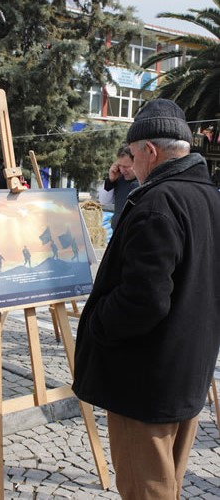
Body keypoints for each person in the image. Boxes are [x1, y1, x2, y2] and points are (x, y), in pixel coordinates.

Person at [72, 98, 220, 499]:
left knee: (146, 491)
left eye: (133, 157)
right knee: (164, 486)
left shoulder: (159, 202)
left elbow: (145, 300)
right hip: (186, 372)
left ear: (150, 152)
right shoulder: (209, 196)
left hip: (146, 383)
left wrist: (98, 320)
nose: (130, 168)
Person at [102, 144, 139, 230]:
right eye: (120, 166)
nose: (122, 170)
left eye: (126, 167)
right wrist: (111, 180)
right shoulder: (118, 178)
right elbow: (104, 202)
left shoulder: (144, 181)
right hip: (117, 233)